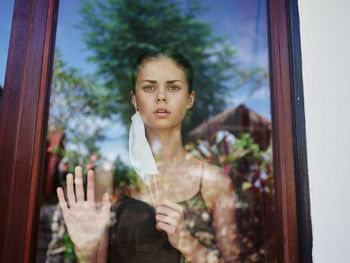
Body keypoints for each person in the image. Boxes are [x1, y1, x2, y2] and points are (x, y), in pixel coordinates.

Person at [56, 47, 240, 263]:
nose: (161, 96)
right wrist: (85, 252)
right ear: (134, 99)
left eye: (173, 87)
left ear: (189, 99)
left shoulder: (213, 181)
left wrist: (186, 242)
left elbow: (232, 260)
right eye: (149, 87)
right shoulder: (110, 179)